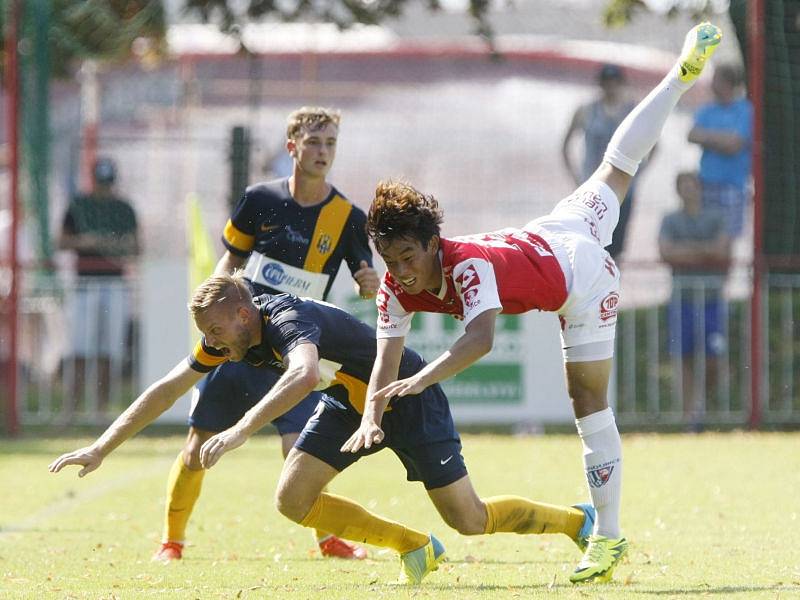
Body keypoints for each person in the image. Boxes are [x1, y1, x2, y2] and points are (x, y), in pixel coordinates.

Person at [349, 23, 723, 584]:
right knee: (616, 166)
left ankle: (608, 535)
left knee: (588, 401)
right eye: (390, 259)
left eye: (407, 256)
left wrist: (423, 381)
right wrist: (371, 415)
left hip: (581, 277)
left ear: (432, 242)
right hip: (554, 229)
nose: (400, 271)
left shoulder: (465, 266)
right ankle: (678, 76)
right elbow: (383, 358)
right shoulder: (395, 285)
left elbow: (480, 339)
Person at [50, 272, 596, 585]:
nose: (212, 342)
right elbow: (167, 388)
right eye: (206, 335)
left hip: (405, 394)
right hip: (347, 402)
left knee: (470, 520)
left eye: (216, 330)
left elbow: (305, 370)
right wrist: (101, 447)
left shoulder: (284, 318)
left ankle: (577, 521)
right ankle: (415, 548)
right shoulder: (227, 336)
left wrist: (241, 430)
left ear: (244, 315)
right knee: (292, 498)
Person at [153, 107, 380, 561]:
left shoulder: (348, 217)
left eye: (330, 143)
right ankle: (171, 542)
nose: (322, 152)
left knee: (301, 455)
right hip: (240, 345)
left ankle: (327, 537)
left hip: (293, 351)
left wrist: (368, 280)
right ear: (292, 146)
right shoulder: (258, 200)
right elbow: (230, 263)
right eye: (314, 142)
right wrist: (212, 309)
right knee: (197, 451)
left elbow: (365, 273)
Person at [59, 157, 139, 412]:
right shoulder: (78, 205)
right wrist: (88, 242)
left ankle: (101, 410)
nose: (104, 189)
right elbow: (62, 241)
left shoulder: (124, 208)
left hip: (114, 283)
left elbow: (136, 246)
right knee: (80, 348)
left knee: (108, 349)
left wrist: (114, 246)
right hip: (85, 283)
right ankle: (71, 409)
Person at [658, 171, 731, 428]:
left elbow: (722, 250)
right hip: (682, 299)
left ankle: (700, 402)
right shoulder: (670, 219)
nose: (689, 191)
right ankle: (691, 417)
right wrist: (704, 251)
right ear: (678, 191)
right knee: (683, 355)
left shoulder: (716, 217)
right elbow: (666, 252)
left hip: (711, 298)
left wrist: (686, 251)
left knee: (714, 358)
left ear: (700, 188)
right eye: (684, 186)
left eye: (693, 185)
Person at [562, 64, 651, 259]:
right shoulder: (586, 111)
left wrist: (639, 172)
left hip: (623, 189)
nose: (611, 87)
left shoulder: (633, 111)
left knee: (616, 246)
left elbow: (654, 145)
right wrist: (577, 178)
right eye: (607, 82)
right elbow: (566, 145)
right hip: (592, 187)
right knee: (589, 241)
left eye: (615, 82)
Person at [687, 63, 753, 237]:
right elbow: (692, 135)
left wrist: (707, 138)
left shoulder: (745, 110)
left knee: (727, 239)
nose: (711, 83)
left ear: (727, 82)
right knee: (705, 237)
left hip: (733, 186)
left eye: (715, 78)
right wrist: (722, 139)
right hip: (706, 184)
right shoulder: (707, 109)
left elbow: (735, 145)